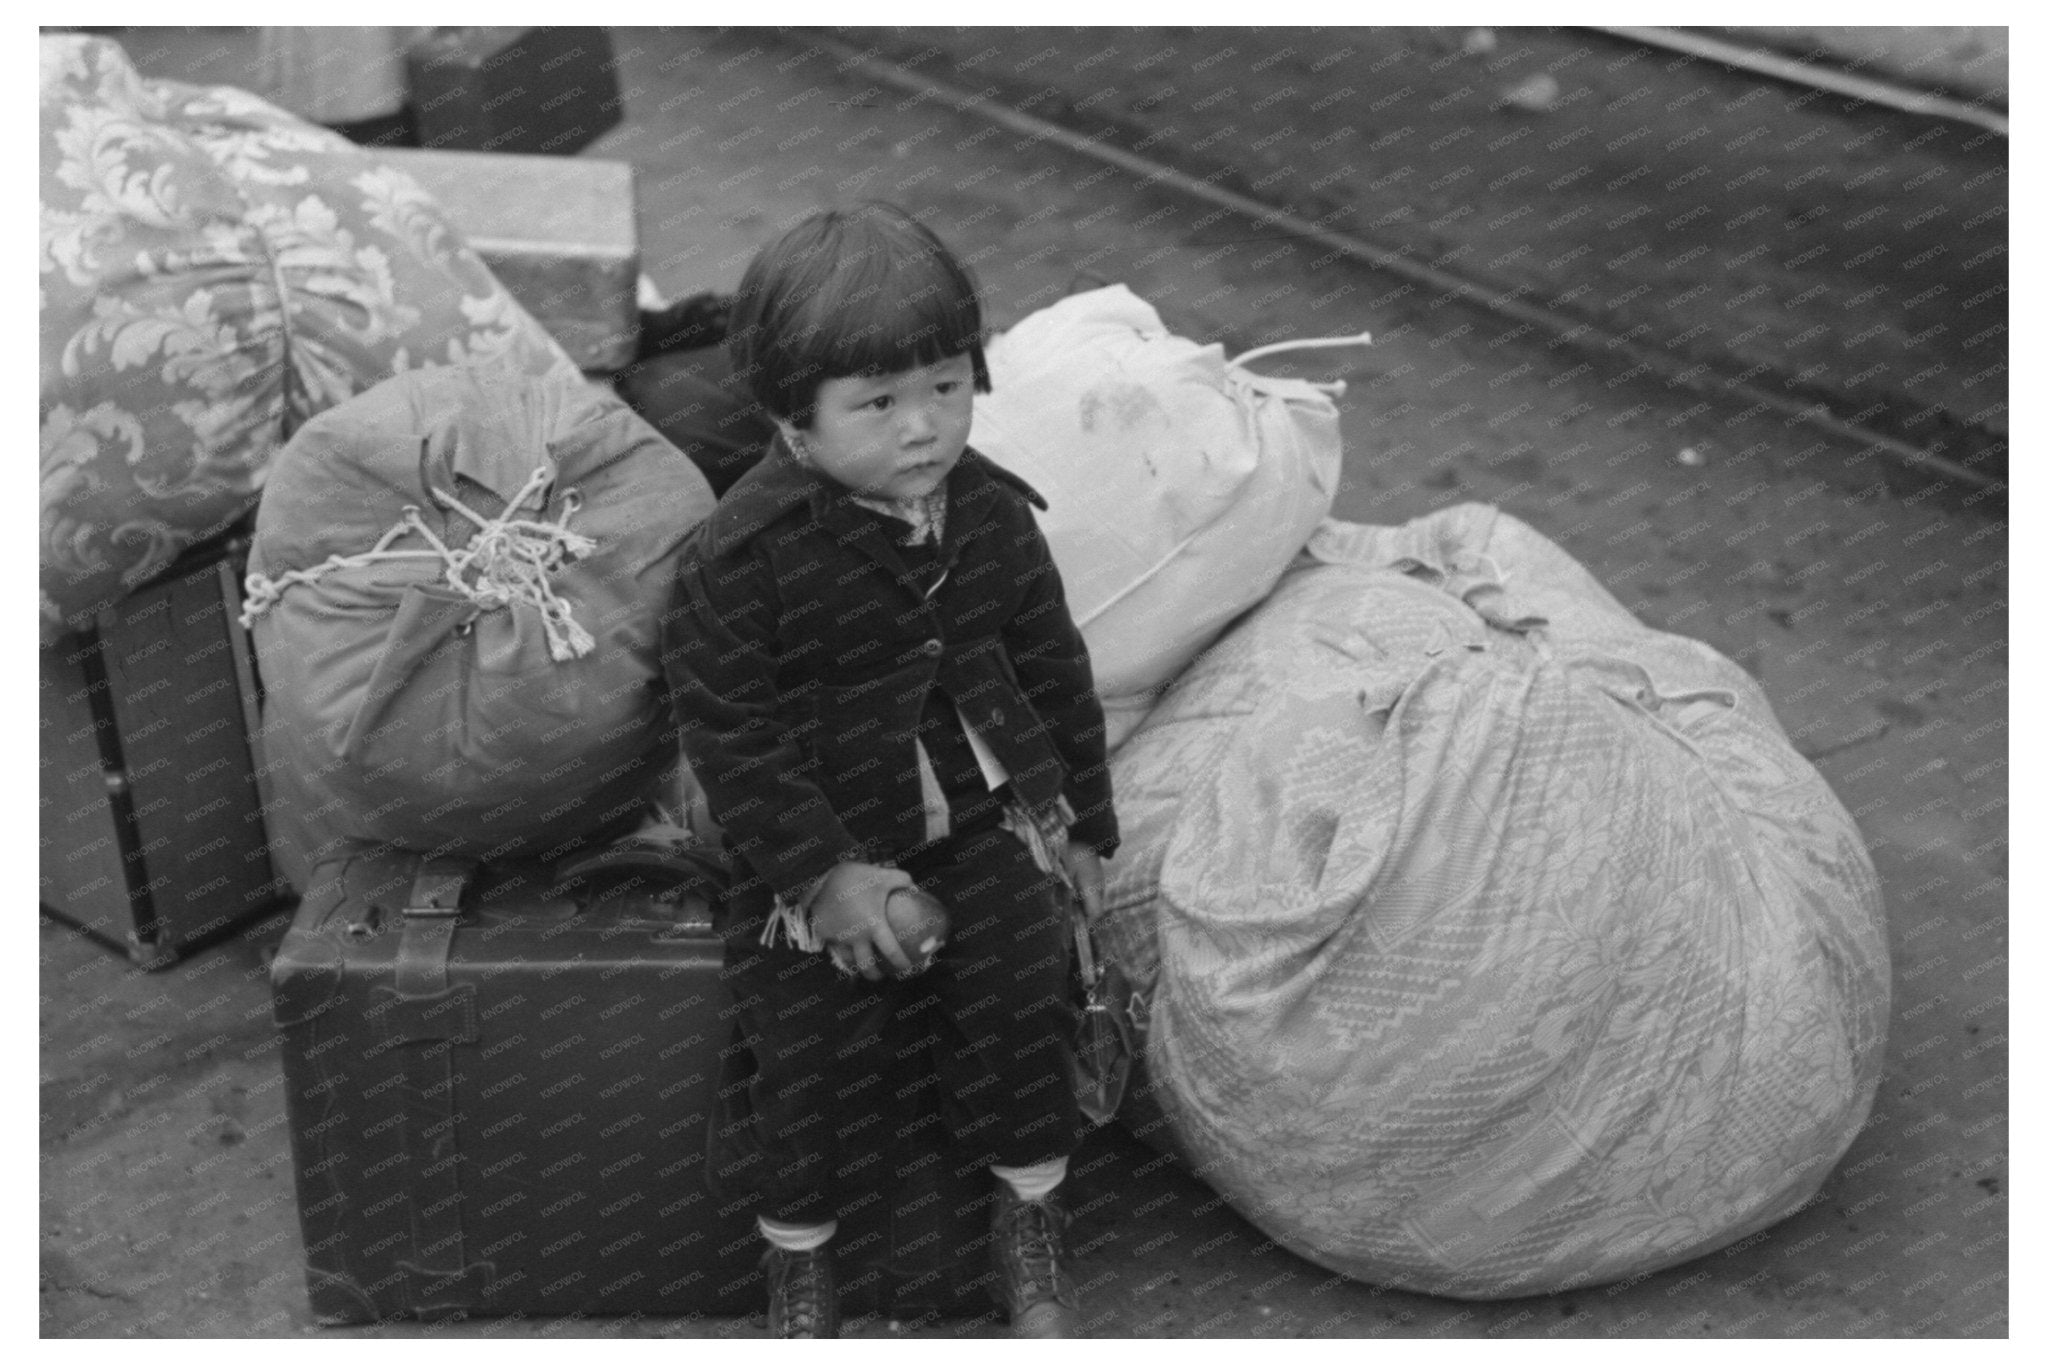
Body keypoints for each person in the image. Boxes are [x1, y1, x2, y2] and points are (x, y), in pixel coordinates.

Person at [661, 201, 1118, 1338]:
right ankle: (799, 1261)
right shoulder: (741, 560)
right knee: (806, 1054)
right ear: (791, 420)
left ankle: (1028, 1216)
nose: (921, 427)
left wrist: (1083, 828)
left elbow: (1052, 669)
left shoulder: (994, 520)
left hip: (972, 818)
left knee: (1024, 999)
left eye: (946, 387)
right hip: (813, 847)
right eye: (877, 403)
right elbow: (733, 736)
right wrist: (822, 877)